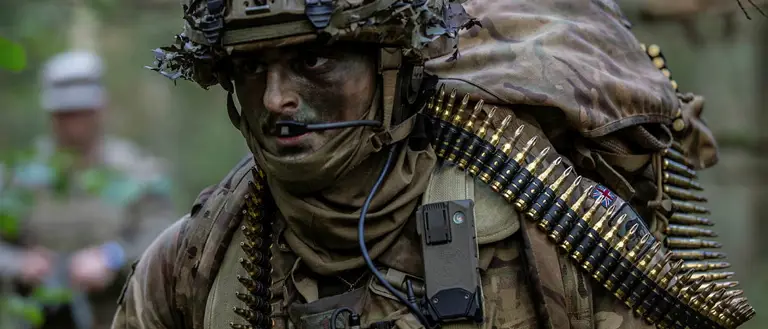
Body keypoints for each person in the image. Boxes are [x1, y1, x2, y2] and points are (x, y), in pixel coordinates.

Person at [112, 0, 754, 329]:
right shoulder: (196, 259)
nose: (277, 99)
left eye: (313, 61)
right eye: (251, 69)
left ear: (389, 69)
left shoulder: (542, 216)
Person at [0, 50, 176, 329]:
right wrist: (21, 264)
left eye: (81, 112)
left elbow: (163, 236)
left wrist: (111, 258)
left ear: (100, 109)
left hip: (118, 317)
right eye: (64, 113)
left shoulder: (137, 172)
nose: (73, 124)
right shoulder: (21, 176)